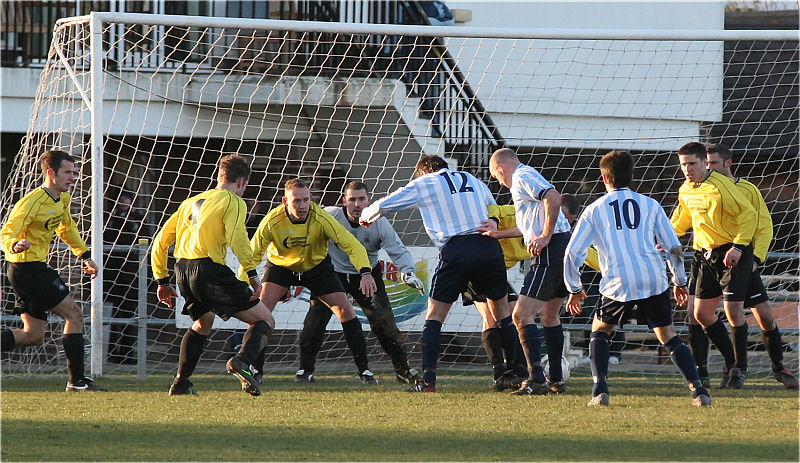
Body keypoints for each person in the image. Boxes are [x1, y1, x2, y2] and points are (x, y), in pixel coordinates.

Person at [564, 150, 711, 407]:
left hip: (617, 282)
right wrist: (680, 282)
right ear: (632, 176)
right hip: (652, 279)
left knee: (600, 331)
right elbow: (673, 247)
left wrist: (574, 289)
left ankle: (600, 390)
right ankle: (699, 390)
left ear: (603, 178)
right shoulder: (650, 204)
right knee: (668, 336)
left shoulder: (594, 210)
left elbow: (572, 253)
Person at [360, 155, 512, 392]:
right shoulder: (470, 178)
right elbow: (493, 206)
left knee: (434, 316)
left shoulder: (427, 181)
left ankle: (428, 379)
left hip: (456, 250)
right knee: (499, 312)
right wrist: (491, 220)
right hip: (487, 247)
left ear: (424, 172)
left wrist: (366, 215)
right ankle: (509, 373)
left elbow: (389, 202)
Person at [151, 154, 275, 396]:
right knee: (264, 320)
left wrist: (161, 280)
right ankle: (241, 362)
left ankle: (180, 382)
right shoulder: (234, 201)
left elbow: (161, 241)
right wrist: (252, 274)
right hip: (208, 270)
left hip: (183, 270)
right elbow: (237, 238)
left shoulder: (190, 202)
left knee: (202, 322)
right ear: (241, 182)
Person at [245, 178, 379, 385]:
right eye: (297, 201)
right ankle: (254, 370)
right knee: (261, 313)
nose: (302, 206)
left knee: (345, 310)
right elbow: (251, 255)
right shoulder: (272, 221)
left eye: (306, 200)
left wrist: (366, 272)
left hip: (316, 267)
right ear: (285, 201)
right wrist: (245, 283)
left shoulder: (321, 217)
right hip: (281, 267)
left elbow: (351, 244)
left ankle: (365, 371)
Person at [297, 181, 424, 384]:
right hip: (332, 275)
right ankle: (305, 370)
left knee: (384, 323)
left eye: (362, 199)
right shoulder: (329, 216)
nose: (357, 204)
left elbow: (398, 250)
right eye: (352, 199)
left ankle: (403, 370)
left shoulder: (380, 223)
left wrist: (408, 272)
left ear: (369, 201)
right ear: (343, 201)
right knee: (315, 321)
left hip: (367, 276)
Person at [1, 150, 106, 392]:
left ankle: (76, 382)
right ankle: (77, 382)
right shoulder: (30, 203)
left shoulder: (62, 199)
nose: (73, 178)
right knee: (75, 315)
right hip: (27, 269)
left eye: (74, 172)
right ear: (51, 173)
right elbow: (6, 232)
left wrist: (84, 255)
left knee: (32, 335)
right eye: (67, 172)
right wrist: (14, 244)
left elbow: (66, 227)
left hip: (33, 269)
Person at [697, 143, 797, 389]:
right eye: (706, 164)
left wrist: (756, 258)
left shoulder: (747, 189)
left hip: (742, 259)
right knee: (705, 313)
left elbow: (763, 225)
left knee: (763, 315)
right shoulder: (702, 190)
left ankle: (778, 367)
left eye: (713, 164)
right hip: (711, 260)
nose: (709, 168)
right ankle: (732, 367)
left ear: (728, 163)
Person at [670, 141, 756, 389]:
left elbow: (749, 215)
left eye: (692, 164)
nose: (687, 169)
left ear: (704, 163)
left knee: (733, 311)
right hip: (704, 255)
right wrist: (664, 238)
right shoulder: (686, 189)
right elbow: (681, 219)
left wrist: (738, 247)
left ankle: (740, 369)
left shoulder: (721, 186)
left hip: (733, 252)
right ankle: (730, 363)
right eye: (683, 165)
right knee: (700, 314)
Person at [489, 148, 572, 395]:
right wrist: (498, 234)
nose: (499, 182)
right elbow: (529, 225)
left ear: (500, 168)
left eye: (496, 177)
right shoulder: (525, 179)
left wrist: (546, 236)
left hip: (552, 249)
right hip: (560, 246)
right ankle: (555, 378)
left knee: (520, 314)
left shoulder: (522, 176)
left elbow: (554, 196)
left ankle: (536, 379)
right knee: (549, 316)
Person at [562, 193, 626, 366]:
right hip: (590, 273)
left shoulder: (615, 226)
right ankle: (588, 350)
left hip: (613, 271)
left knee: (616, 309)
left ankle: (615, 351)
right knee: (591, 310)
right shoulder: (585, 221)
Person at [104, 188, 149, 364]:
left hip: (132, 275)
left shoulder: (137, 219)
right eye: (122, 199)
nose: (125, 202)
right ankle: (113, 352)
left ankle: (127, 352)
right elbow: (108, 239)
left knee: (131, 315)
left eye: (127, 199)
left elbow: (143, 240)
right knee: (115, 316)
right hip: (114, 275)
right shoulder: (110, 220)